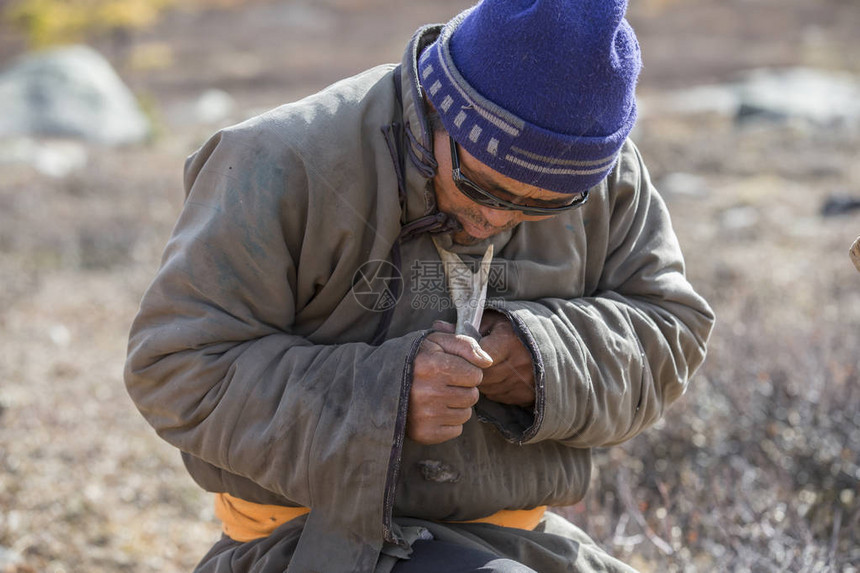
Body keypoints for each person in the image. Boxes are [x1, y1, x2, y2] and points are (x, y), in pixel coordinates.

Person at [124, 1, 715, 571]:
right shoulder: (275, 162)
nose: (497, 220)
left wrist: (543, 358)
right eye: (483, 187)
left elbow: (672, 329)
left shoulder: (603, 175)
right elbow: (176, 367)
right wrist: (389, 398)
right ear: (438, 107)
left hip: (522, 539)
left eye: (545, 207)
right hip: (311, 539)